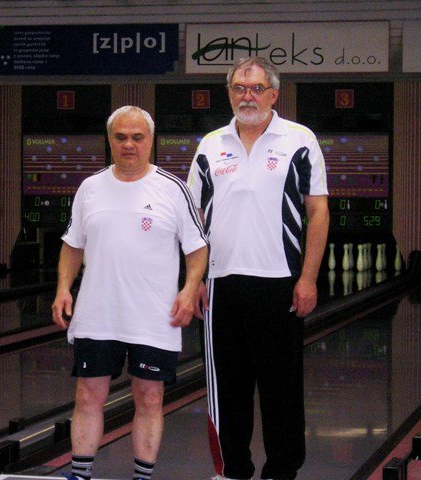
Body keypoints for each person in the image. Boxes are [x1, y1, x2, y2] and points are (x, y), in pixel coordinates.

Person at [187, 57, 329, 480]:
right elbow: (194, 218)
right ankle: (232, 471)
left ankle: (281, 472)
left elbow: (318, 212)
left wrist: (308, 278)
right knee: (227, 390)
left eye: (256, 88)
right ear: (229, 93)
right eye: (239, 88)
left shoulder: (300, 140)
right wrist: (194, 280)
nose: (247, 96)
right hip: (221, 284)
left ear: (273, 94)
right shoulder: (210, 144)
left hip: (280, 283)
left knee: (281, 390)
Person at [52, 105, 208, 480]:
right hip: (97, 314)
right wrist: (62, 288)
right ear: (110, 139)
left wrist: (189, 290)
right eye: (120, 137)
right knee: (87, 396)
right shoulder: (90, 188)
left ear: (151, 140)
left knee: (149, 398)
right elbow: (72, 245)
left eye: (137, 137)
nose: (128, 144)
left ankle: (142, 477)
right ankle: (79, 474)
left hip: (154, 317)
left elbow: (197, 248)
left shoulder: (174, 189)